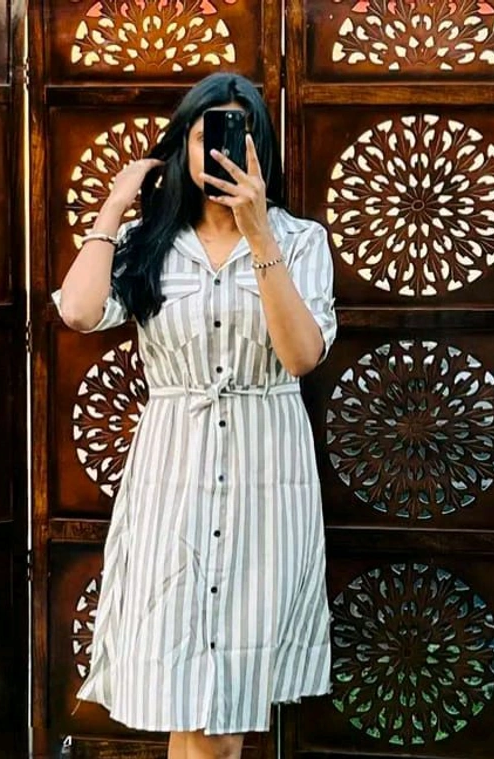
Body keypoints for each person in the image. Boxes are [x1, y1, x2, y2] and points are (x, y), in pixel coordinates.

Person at [53, 72, 337, 759]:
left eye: (239, 134)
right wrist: (114, 207)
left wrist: (259, 235)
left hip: (265, 479)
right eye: (206, 134)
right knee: (190, 698)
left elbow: (300, 356)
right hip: (172, 480)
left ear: (261, 148)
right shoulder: (150, 243)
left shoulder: (300, 241)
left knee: (223, 698)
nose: (222, 149)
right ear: (184, 143)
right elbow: (79, 310)